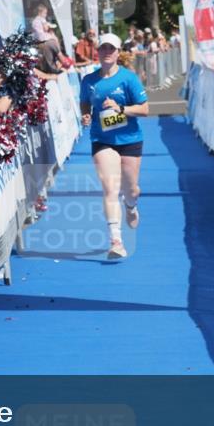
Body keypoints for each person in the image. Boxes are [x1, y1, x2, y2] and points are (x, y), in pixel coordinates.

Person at [79, 34, 149, 260]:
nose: (107, 52)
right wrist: (85, 115)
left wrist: (121, 109)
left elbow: (144, 109)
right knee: (110, 188)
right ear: (97, 52)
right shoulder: (89, 81)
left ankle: (131, 205)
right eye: (103, 48)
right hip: (102, 140)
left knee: (131, 189)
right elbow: (85, 102)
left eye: (112, 48)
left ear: (118, 52)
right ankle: (116, 241)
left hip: (129, 139)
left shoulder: (128, 78)